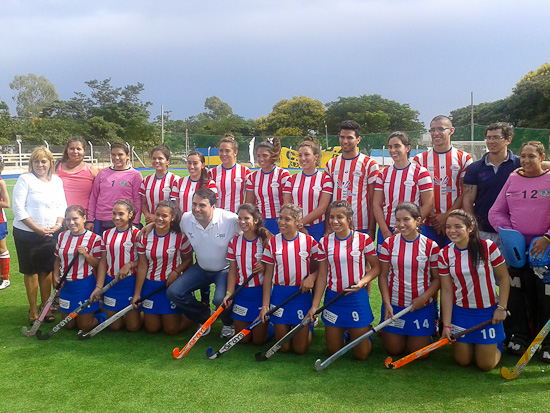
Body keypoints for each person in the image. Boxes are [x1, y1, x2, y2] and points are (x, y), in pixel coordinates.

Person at [489, 141, 550, 362]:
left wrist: (546, 238)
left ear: (542, 157)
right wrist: (509, 234)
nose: (526, 160)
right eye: (523, 156)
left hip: (545, 251)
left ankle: (547, 342)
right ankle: (519, 336)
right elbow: (496, 211)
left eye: (531, 156)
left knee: (544, 294)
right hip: (516, 251)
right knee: (516, 291)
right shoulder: (513, 178)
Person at [307, 200, 381, 360]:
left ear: (349, 219)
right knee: (333, 351)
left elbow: (376, 268)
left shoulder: (363, 239)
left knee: (362, 355)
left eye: (339, 217)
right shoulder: (325, 242)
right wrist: (314, 306)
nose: (334, 221)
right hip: (334, 299)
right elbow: (322, 276)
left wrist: (362, 283)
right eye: (331, 217)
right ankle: (348, 331)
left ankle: (363, 329)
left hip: (356, 298)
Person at [439, 210, 510, 371]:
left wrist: (502, 308)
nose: (452, 231)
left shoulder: (487, 247)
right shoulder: (445, 254)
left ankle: (496, 343)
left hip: (488, 312)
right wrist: (447, 325)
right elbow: (447, 291)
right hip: (461, 313)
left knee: (485, 365)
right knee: (462, 361)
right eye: (449, 227)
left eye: (458, 226)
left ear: (470, 228)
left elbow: (504, 278)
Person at [165, 188, 240, 339]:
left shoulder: (230, 220)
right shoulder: (187, 218)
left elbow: (252, 228)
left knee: (220, 299)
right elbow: (168, 225)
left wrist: (265, 235)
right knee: (174, 292)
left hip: (224, 270)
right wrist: (150, 226)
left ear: (213, 206)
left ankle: (227, 323)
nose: (196, 209)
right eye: (194, 204)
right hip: (200, 267)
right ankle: (204, 315)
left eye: (202, 205)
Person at [13, 146, 66, 325]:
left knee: (46, 271)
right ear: (31, 163)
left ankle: (45, 307)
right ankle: (33, 309)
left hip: (50, 233)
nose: (40, 165)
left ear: (50, 163)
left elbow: (62, 205)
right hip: (27, 234)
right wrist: (36, 229)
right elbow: (18, 208)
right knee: (31, 272)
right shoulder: (24, 179)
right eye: (36, 161)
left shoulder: (57, 181)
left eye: (43, 161)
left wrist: (58, 225)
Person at [378, 202, 440, 356]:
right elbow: (383, 276)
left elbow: (437, 279)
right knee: (394, 350)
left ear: (418, 220)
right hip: (395, 306)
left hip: (421, 306)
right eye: (397, 220)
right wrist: (387, 304)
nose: (401, 224)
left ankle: (431, 327)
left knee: (419, 355)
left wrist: (423, 298)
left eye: (406, 220)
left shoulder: (431, 246)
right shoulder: (389, 244)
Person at [260, 204, 319, 355]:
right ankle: (279, 325)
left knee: (300, 349)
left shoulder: (309, 241)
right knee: (283, 348)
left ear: (298, 222)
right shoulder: (272, 243)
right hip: (280, 295)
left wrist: (312, 277)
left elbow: (321, 269)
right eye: (280, 218)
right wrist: (266, 305)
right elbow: (267, 276)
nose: (281, 222)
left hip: (301, 295)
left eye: (287, 219)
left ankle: (308, 327)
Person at [133, 201, 193, 335]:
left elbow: (189, 260)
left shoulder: (180, 237)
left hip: (169, 286)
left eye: (164, 216)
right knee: (152, 329)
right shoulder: (144, 236)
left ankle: (195, 316)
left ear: (172, 217)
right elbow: (142, 266)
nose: (160, 219)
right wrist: (137, 294)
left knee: (171, 330)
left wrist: (176, 272)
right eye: (157, 215)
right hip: (150, 286)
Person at [413, 115, 473, 246]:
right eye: (432, 130)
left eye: (440, 129)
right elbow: (418, 193)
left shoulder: (464, 158)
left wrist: (446, 216)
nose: (436, 133)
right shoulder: (419, 159)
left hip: (454, 222)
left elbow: (465, 192)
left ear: (451, 131)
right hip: (428, 222)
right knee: (428, 261)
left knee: (452, 261)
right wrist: (434, 216)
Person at [373, 132, 433, 250]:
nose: (393, 150)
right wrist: (385, 231)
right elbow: (376, 204)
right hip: (387, 229)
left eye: (397, 146)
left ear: (407, 148)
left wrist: (411, 226)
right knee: (385, 266)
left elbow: (428, 203)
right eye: (390, 147)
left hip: (412, 230)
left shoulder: (420, 172)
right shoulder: (383, 174)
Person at [222, 203, 272, 345]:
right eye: (239, 218)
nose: (242, 222)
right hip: (242, 293)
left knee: (258, 341)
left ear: (255, 220)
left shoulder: (265, 241)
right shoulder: (234, 242)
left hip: (260, 293)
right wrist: (229, 293)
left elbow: (274, 267)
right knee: (243, 340)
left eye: (246, 218)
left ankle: (273, 323)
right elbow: (232, 270)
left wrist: (265, 264)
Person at [463, 123, 520, 245]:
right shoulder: (475, 168)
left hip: (514, 230)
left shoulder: (520, 164)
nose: (491, 141)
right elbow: (468, 199)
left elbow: (539, 164)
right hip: (484, 230)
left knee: (511, 265)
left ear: (508, 140)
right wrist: (473, 225)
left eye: (496, 137)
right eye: (488, 138)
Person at [92, 199, 142, 332]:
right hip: (112, 283)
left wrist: (130, 265)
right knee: (115, 327)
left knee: (133, 328)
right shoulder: (106, 234)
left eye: (121, 214)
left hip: (130, 283)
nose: (116, 217)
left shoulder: (137, 234)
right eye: (114, 213)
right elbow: (103, 262)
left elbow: (145, 261)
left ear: (130, 214)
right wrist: (99, 287)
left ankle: (143, 314)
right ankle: (104, 313)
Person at [324, 120, 379, 236]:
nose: (345, 141)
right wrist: (327, 226)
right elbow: (327, 199)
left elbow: (373, 199)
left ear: (358, 140)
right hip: (336, 225)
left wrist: (372, 229)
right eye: (342, 137)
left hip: (361, 226)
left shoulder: (369, 164)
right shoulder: (331, 164)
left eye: (349, 137)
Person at [54, 205, 104, 332]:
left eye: (75, 219)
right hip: (66, 286)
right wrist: (55, 276)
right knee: (68, 325)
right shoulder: (61, 236)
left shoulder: (94, 238)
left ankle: (104, 314)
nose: (71, 223)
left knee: (85, 326)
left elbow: (98, 264)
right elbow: (57, 259)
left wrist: (86, 255)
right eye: (68, 219)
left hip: (84, 284)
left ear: (84, 218)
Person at [283, 137, 332, 241]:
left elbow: (322, 208)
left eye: (307, 154)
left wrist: (301, 223)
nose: (302, 158)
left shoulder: (325, 179)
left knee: (316, 256)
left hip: (316, 228)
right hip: (294, 228)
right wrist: (297, 225)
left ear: (316, 157)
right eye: (300, 155)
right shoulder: (291, 179)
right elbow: (287, 205)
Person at [87, 143, 142, 234]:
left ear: (128, 155)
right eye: (113, 154)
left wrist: (135, 222)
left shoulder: (135, 175)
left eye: (120, 154)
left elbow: (137, 200)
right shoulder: (102, 173)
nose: (116, 158)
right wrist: (90, 220)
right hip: (102, 219)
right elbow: (94, 197)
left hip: (123, 219)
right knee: (101, 247)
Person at [245, 137, 290, 235]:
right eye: (258, 156)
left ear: (272, 156)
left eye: (265, 156)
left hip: (279, 222)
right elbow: (249, 204)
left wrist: (283, 222)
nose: (261, 159)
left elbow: (287, 203)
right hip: (261, 222)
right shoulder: (253, 177)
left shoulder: (283, 174)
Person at [209, 134, 251, 213]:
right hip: (218, 216)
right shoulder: (212, 172)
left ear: (235, 152)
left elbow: (250, 197)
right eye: (221, 150)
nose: (224, 154)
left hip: (237, 217)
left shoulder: (245, 171)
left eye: (227, 151)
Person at [55, 137, 99, 212]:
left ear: (84, 151)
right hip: (59, 214)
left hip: (83, 216)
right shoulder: (55, 167)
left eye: (78, 149)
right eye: (72, 148)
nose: (75, 152)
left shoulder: (92, 170)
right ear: (67, 150)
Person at [140, 145, 179, 225]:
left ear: (168, 161)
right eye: (154, 158)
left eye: (160, 158)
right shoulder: (146, 180)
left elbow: (174, 204)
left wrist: (157, 217)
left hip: (168, 224)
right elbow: (143, 203)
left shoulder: (175, 179)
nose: (156, 161)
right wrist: (147, 215)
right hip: (150, 223)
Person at [0, 157, 11, 290]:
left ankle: (5, 278)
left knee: (2, 249)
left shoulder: (1, 182)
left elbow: (6, 204)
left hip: (0, 221)